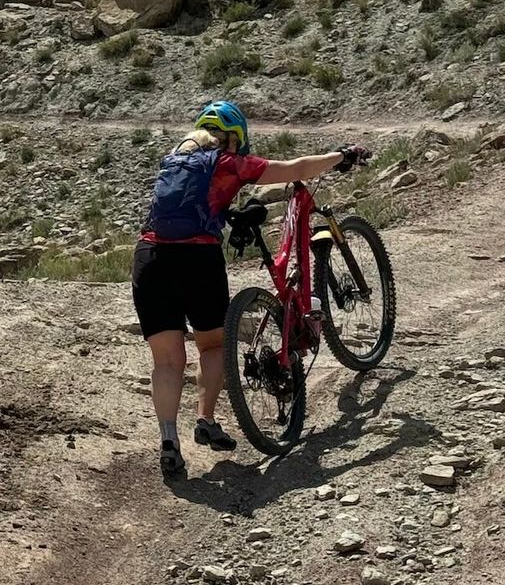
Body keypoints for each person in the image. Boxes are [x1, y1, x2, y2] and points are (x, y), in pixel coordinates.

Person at [131, 100, 366, 480]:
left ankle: (169, 441)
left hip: (149, 257)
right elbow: (296, 168)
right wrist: (341, 155)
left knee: (167, 361)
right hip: (197, 259)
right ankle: (205, 419)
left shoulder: (172, 161)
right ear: (234, 138)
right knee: (212, 346)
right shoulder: (230, 163)